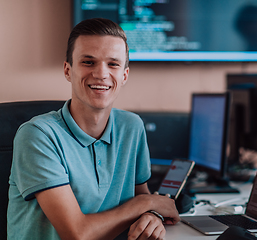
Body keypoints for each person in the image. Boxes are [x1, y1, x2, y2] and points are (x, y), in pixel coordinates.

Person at [7, 18, 180, 240]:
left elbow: (142, 198)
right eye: (88, 62)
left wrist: (153, 214)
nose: (101, 73)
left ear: (124, 75)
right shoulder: (37, 135)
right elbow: (76, 233)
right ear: (68, 71)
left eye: (113, 64)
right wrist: (147, 203)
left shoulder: (132, 127)